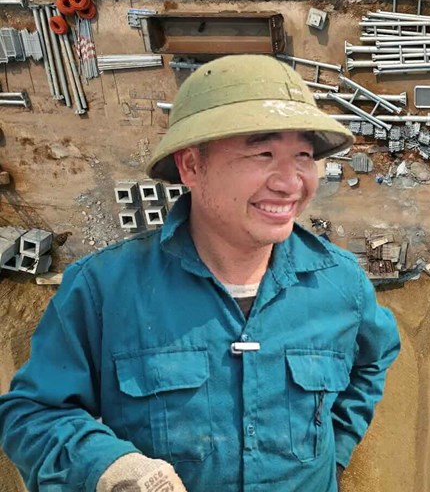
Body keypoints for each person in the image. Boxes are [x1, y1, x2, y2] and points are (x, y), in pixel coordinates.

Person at [0, 55, 401, 491]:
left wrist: (333, 457)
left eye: (303, 155)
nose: (290, 183)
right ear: (192, 166)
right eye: (263, 153)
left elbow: (371, 363)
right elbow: (33, 415)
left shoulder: (341, 285)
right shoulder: (104, 291)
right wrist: (107, 467)